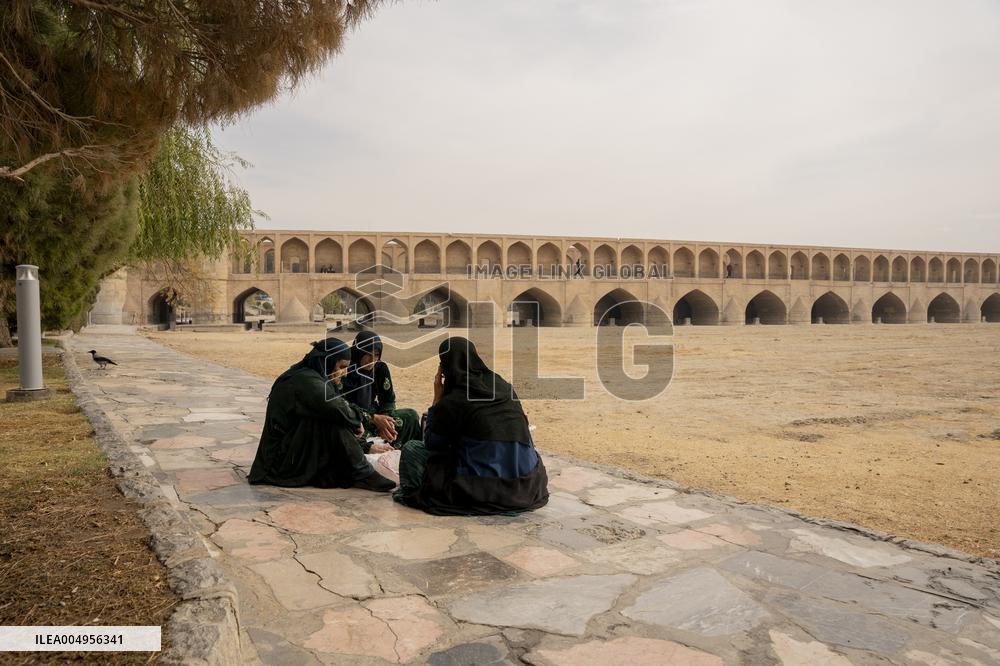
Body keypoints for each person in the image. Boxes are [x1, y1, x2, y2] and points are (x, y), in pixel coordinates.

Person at [393, 337, 549, 515]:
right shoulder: (503, 387)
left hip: (482, 489)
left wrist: (437, 399)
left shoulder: (453, 401)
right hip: (527, 485)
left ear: (445, 369)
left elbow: (431, 443)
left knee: (412, 449)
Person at [248, 337, 396, 492]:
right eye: (341, 367)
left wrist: (357, 419)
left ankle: (359, 469)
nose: (345, 373)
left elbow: (342, 404)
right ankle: (363, 473)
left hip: (291, 449)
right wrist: (359, 420)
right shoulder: (307, 381)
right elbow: (337, 407)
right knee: (331, 419)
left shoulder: (315, 376)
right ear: (327, 362)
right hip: (277, 463)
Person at [341, 331, 422, 446]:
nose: (372, 360)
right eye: (367, 354)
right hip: (354, 419)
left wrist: (385, 423)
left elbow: (388, 400)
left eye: (376, 355)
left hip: (377, 415)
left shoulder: (380, 368)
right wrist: (373, 419)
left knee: (411, 416)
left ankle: (406, 454)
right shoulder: (344, 370)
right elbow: (343, 405)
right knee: (357, 435)